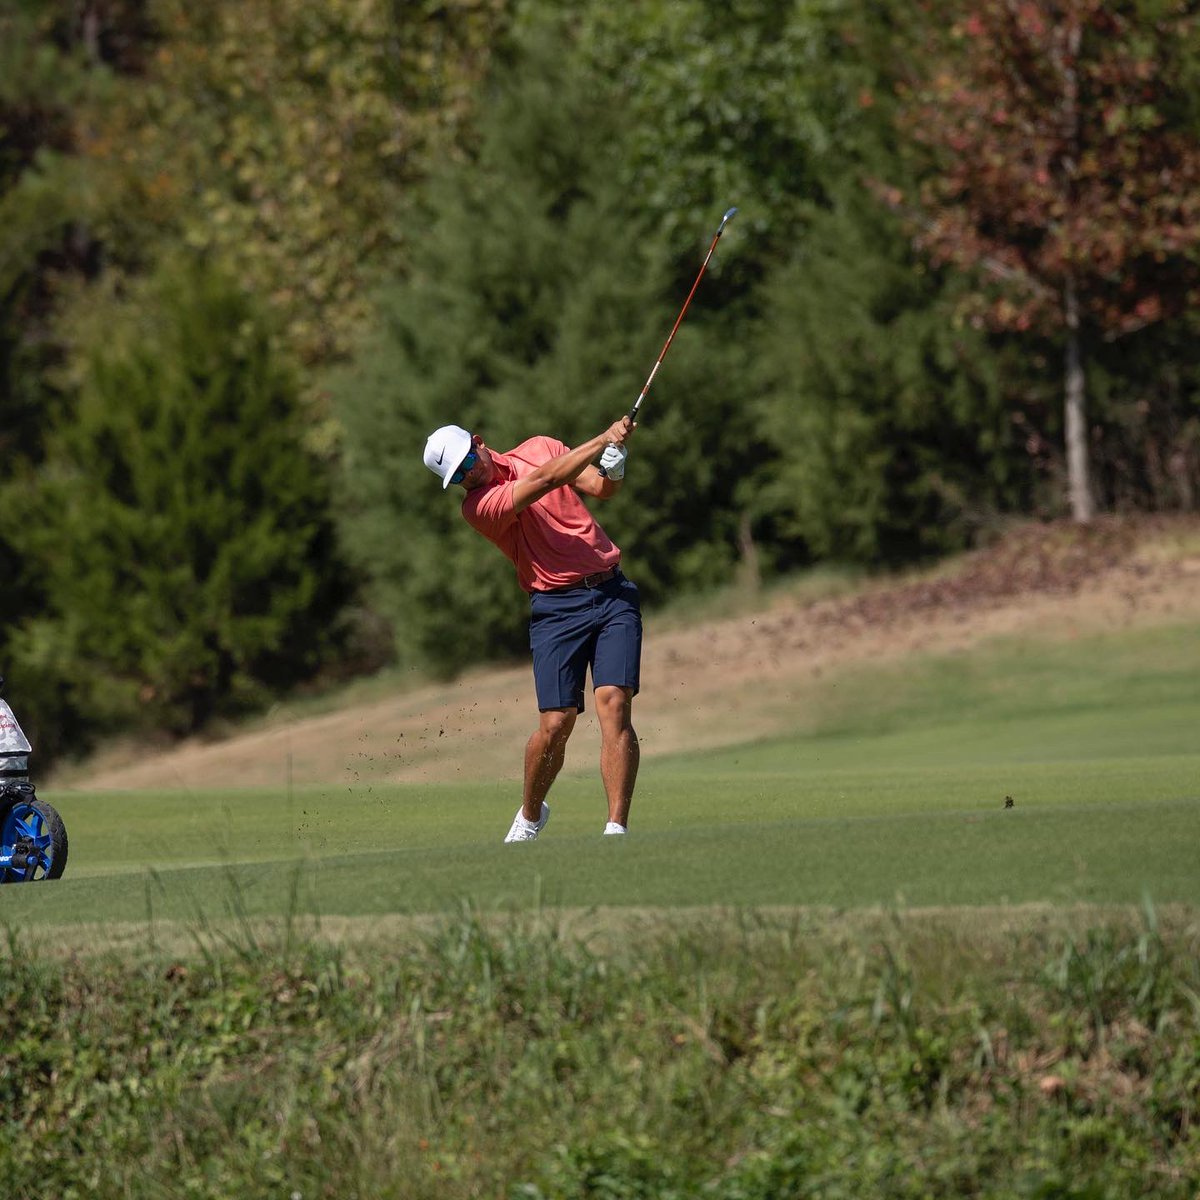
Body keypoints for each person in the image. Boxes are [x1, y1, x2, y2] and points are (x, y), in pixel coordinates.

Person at [423, 416, 641, 842]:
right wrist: (603, 437)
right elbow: (545, 480)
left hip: (612, 593)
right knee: (556, 723)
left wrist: (614, 465)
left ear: (479, 443)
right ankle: (530, 814)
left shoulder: (541, 446)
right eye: (458, 476)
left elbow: (600, 488)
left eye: (467, 462)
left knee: (615, 703)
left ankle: (616, 829)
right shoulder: (478, 507)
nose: (469, 475)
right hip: (556, 609)